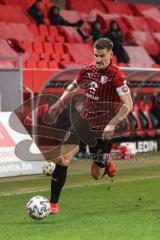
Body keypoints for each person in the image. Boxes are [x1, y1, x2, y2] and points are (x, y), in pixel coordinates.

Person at [48, 38, 133, 214]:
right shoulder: (87, 69)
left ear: (111, 54)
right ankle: (53, 205)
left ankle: (106, 163)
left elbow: (128, 104)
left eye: (102, 56)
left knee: (96, 175)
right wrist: (60, 102)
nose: (98, 59)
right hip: (83, 122)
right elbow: (74, 86)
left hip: (102, 130)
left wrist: (112, 124)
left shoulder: (116, 75)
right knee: (62, 159)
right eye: (96, 55)